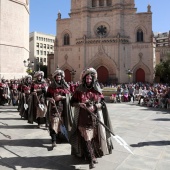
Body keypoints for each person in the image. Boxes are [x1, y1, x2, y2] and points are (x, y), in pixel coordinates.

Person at [69, 67, 113, 169]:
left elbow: (102, 103)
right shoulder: (79, 90)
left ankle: (92, 154)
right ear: (84, 79)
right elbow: (72, 102)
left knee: (93, 138)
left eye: (90, 78)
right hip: (82, 118)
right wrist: (79, 104)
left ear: (92, 79)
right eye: (87, 78)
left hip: (95, 119)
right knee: (87, 138)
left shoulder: (97, 89)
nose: (88, 80)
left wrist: (95, 106)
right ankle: (90, 159)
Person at [46, 68, 73, 147]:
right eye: (57, 76)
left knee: (61, 123)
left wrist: (61, 97)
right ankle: (53, 140)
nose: (58, 77)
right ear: (55, 77)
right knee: (54, 122)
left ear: (62, 77)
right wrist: (51, 99)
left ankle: (59, 137)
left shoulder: (65, 86)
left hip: (63, 108)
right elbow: (47, 96)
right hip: (54, 107)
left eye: (60, 76)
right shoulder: (51, 86)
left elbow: (69, 95)